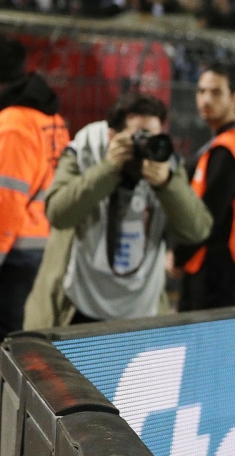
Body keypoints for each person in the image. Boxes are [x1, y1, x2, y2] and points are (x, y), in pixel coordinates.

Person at [24, 94, 211, 327]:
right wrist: (109, 169)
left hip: (142, 308)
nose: (146, 146)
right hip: (79, 303)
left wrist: (166, 184)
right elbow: (58, 214)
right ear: (113, 136)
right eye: (139, 137)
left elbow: (197, 230)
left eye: (152, 136)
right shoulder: (86, 149)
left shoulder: (165, 162)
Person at [176, 64, 235, 310]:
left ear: (234, 99)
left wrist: (179, 256)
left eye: (216, 92)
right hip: (231, 263)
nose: (206, 99)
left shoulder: (226, 150)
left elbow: (209, 217)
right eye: (201, 91)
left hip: (213, 268)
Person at [0, 38, 70, 338]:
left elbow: (6, 200)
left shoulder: (13, 124)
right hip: (38, 241)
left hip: (13, 250)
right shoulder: (50, 116)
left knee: (6, 337)